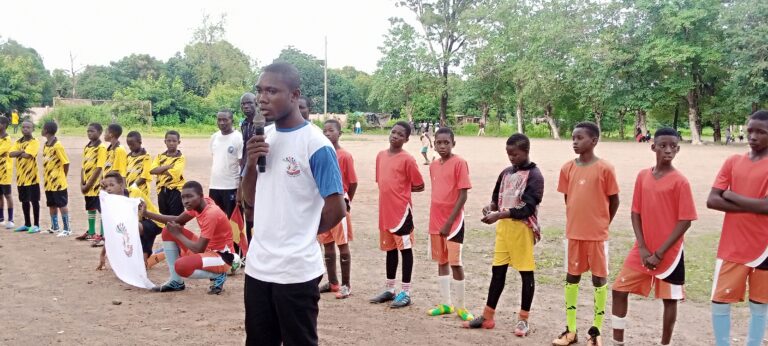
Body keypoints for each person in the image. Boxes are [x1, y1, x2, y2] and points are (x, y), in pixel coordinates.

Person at [241, 63, 346, 345]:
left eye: (272, 91)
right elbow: (248, 200)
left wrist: (301, 233)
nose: (262, 98)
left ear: (294, 95)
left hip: (296, 271)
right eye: (260, 91)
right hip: (258, 266)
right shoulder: (264, 138)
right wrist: (251, 164)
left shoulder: (316, 145)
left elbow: (337, 208)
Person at [611, 127, 697, 346]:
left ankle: (664, 343)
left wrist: (659, 253)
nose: (668, 150)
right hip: (643, 248)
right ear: (653, 147)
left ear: (678, 149)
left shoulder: (681, 181)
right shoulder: (643, 176)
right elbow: (635, 212)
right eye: (663, 146)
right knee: (619, 290)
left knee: (670, 300)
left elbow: (685, 220)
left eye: (673, 147)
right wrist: (642, 247)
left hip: (670, 253)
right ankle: (617, 341)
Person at [463, 133, 543, 337]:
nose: (511, 158)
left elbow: (527, 207)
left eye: (515, 154)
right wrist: (490, 208)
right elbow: (496, 199)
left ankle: (524, 319)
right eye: (508, 154)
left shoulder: (534, 176)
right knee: (497, 272)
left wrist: (500, 214)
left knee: (526, 273)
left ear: (526, 151)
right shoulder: (506, 173)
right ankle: (487, 316)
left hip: (522, 230)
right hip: (504, 230)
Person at [553, 121, 620, 346]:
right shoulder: (567, 168)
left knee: (599, 279)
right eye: (573, 138)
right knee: (572, 276)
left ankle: (596, 332)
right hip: (574, 234)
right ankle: (571, 330)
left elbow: (614, 200)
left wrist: (602, 223)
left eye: (580, 138)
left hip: (597, 236)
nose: (574, 142)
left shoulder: (605, 168)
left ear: (594, 141)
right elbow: (568, 198)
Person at [706, 110, 768, 346]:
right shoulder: (733, 161)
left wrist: (731, 195)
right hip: (732, 246)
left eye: (761, 132)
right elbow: (712, 200)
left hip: (764, 246)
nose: (753, 136)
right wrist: (755, 206)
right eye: (750, 130)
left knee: (760, 303)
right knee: (720, 300)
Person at [138, 180, 236, 294]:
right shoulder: (199, 205)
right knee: (167, 231)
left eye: (189, 197)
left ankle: (219, 274)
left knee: (181, 266)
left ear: (200, 196)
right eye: (183, 197)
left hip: (222, 257)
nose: (186, 201)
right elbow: (176, 220)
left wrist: (178, 234)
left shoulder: (211, 213)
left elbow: (199, 249)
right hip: (208, 250)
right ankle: (176, 281)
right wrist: (147, 214)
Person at [369, 121, 425, 308]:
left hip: (401, 213)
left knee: (405, 250)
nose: (395, 136)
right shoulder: (380, 156)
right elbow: (382, 182)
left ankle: (406, 292)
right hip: (386, 211)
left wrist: (403, 193)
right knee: (390, 250)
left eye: (400, 134)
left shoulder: (408, 159)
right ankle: (390, 289)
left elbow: (419, 185)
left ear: (407, 139)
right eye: (393, 132)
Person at [426, 128, 474, 322]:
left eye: (446, 142)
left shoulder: (460, 163)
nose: (442, 146)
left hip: (453, 223)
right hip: (435, 220)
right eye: (439, 142)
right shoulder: (433, 165)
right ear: (434, 144)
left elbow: (463, 195)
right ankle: (446, 303)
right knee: (442, 261)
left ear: (453, 143)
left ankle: (461, 306)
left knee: (456, 263)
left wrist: (449, 222)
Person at [317, 119, 358, 299]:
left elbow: (353, 182)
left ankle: (346, 284)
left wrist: (347, 201)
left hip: (339, 204)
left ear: (339, 133)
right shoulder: (320, 153)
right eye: (324, 131)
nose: (327, 134)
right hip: (323, 205)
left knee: (342, 245)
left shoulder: (345, 156)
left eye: (331, 131)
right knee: (327, 244)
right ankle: (333, 282)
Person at [97, 171, 164, 270]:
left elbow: (133, 223)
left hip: (155, 222)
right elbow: (111, 229)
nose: (109, 189)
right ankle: (160, 253)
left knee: (131, 228)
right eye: (106, 187)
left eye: (112, 185)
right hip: (139, 226)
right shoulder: (113, 202)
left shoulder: (134, 193)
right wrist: (102, 254)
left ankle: (147, 255)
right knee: (141, 263)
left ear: (121, 185)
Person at [75, 123, 106, 242]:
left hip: (96, 185)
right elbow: (83, 166)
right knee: (90, 208)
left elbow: (99, 168)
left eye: (92, 131)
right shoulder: (87, 147)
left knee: (101, 209)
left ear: (99, 132)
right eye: (88, 131)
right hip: (87, 184)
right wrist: (82, 183)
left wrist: (89, 184)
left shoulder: (101, 148)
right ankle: (92, 232)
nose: (89, 133)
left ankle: (103, 234)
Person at [209, 109, 243, 218]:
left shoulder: (238, 138)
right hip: (214, 186)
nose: (222, 123)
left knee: (233, 222)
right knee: (216, 220)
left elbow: (241, 165)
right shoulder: (214, 137)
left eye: (225, 120)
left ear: (232, 121)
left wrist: (239, 189)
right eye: (219, 120)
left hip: (231, 186)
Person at [9, 121, 41, 233]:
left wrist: (19, 152)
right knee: (24, 201)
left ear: (33, 129)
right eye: (23, 127)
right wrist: (22, 151)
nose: (25, 129)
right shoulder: (18, 141)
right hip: (21, 178)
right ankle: (27, 224)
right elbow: (10, 154)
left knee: (34, 201)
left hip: (32, 177)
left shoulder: (34, 141)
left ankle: (37, 225)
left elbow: (28, 156)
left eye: (28, 127)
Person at [41, 121, 71, 236]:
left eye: (43, 128)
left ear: (47, 130)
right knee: (52, 204)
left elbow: (66, 163)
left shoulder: (57, 145)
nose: (42, 130)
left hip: (58, 182)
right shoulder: (46, 144)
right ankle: (55, 226)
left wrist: (63, 176)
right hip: (49, 182)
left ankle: (67, 229)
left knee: (62, 204)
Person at [150, 130, 186, 217]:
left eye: (174, 141)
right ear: (165, 141)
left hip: (176, 191)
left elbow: (175, 173)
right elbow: (152, 170)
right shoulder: (160, 156)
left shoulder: (180, 158)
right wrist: (167, 167)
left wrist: (159, 169)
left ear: (179, 142)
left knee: (176, 218)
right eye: (169, 141)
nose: (171, 143)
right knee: (164, 216)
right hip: (161, 190)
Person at [239, 92, 258, 242]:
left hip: (261, 169)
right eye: (243, 104)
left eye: (249, 103)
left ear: (256, 103)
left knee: (260, 208)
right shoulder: (244, 124)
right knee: (248, 209)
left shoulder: (264, 122)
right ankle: (250, 246)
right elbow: (245, 150)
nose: (246, 106)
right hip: (246, 168)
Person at [125, 131, 152, 197]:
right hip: (129, 190)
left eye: (132, 145)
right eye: (128, 145)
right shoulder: (128, 157)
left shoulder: (146, 157)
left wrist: (133, 186)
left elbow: (144, 177)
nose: (130, 147)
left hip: (141, 191)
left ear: (140, 142)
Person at [0, 116, 14, 229]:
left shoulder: (7, 139)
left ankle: (10, 219)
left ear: (4, 125)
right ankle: (1, 218)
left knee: (7, 195)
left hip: (5, 170)